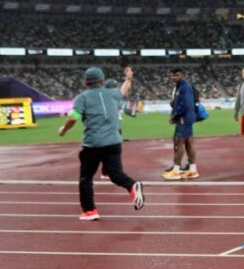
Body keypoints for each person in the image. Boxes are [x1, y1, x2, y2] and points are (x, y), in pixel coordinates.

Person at [57, 66, 145, 220]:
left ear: (86, 83)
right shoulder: (113, 94)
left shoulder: (82, 98)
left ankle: (90, 211)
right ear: (102, 81)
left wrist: (64, 130)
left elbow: (73, 118)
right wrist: (129, 77)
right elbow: (124, 89)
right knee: (115, 174)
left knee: (86, 178)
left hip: (93, 144)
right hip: (114, 142)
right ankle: (131, 185)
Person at [162, 68, 199, 180]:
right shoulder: (180, 87)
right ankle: (192, 170)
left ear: (182, 75)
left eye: (177, 75)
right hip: (186, 118)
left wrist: (176, 116)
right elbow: (180, 103)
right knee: (188, 143)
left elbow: (186, 105)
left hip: (184, 119)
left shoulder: (185, 87)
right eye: (172, 75)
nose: (174, 77)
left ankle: (176, 171)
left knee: (179, 143)